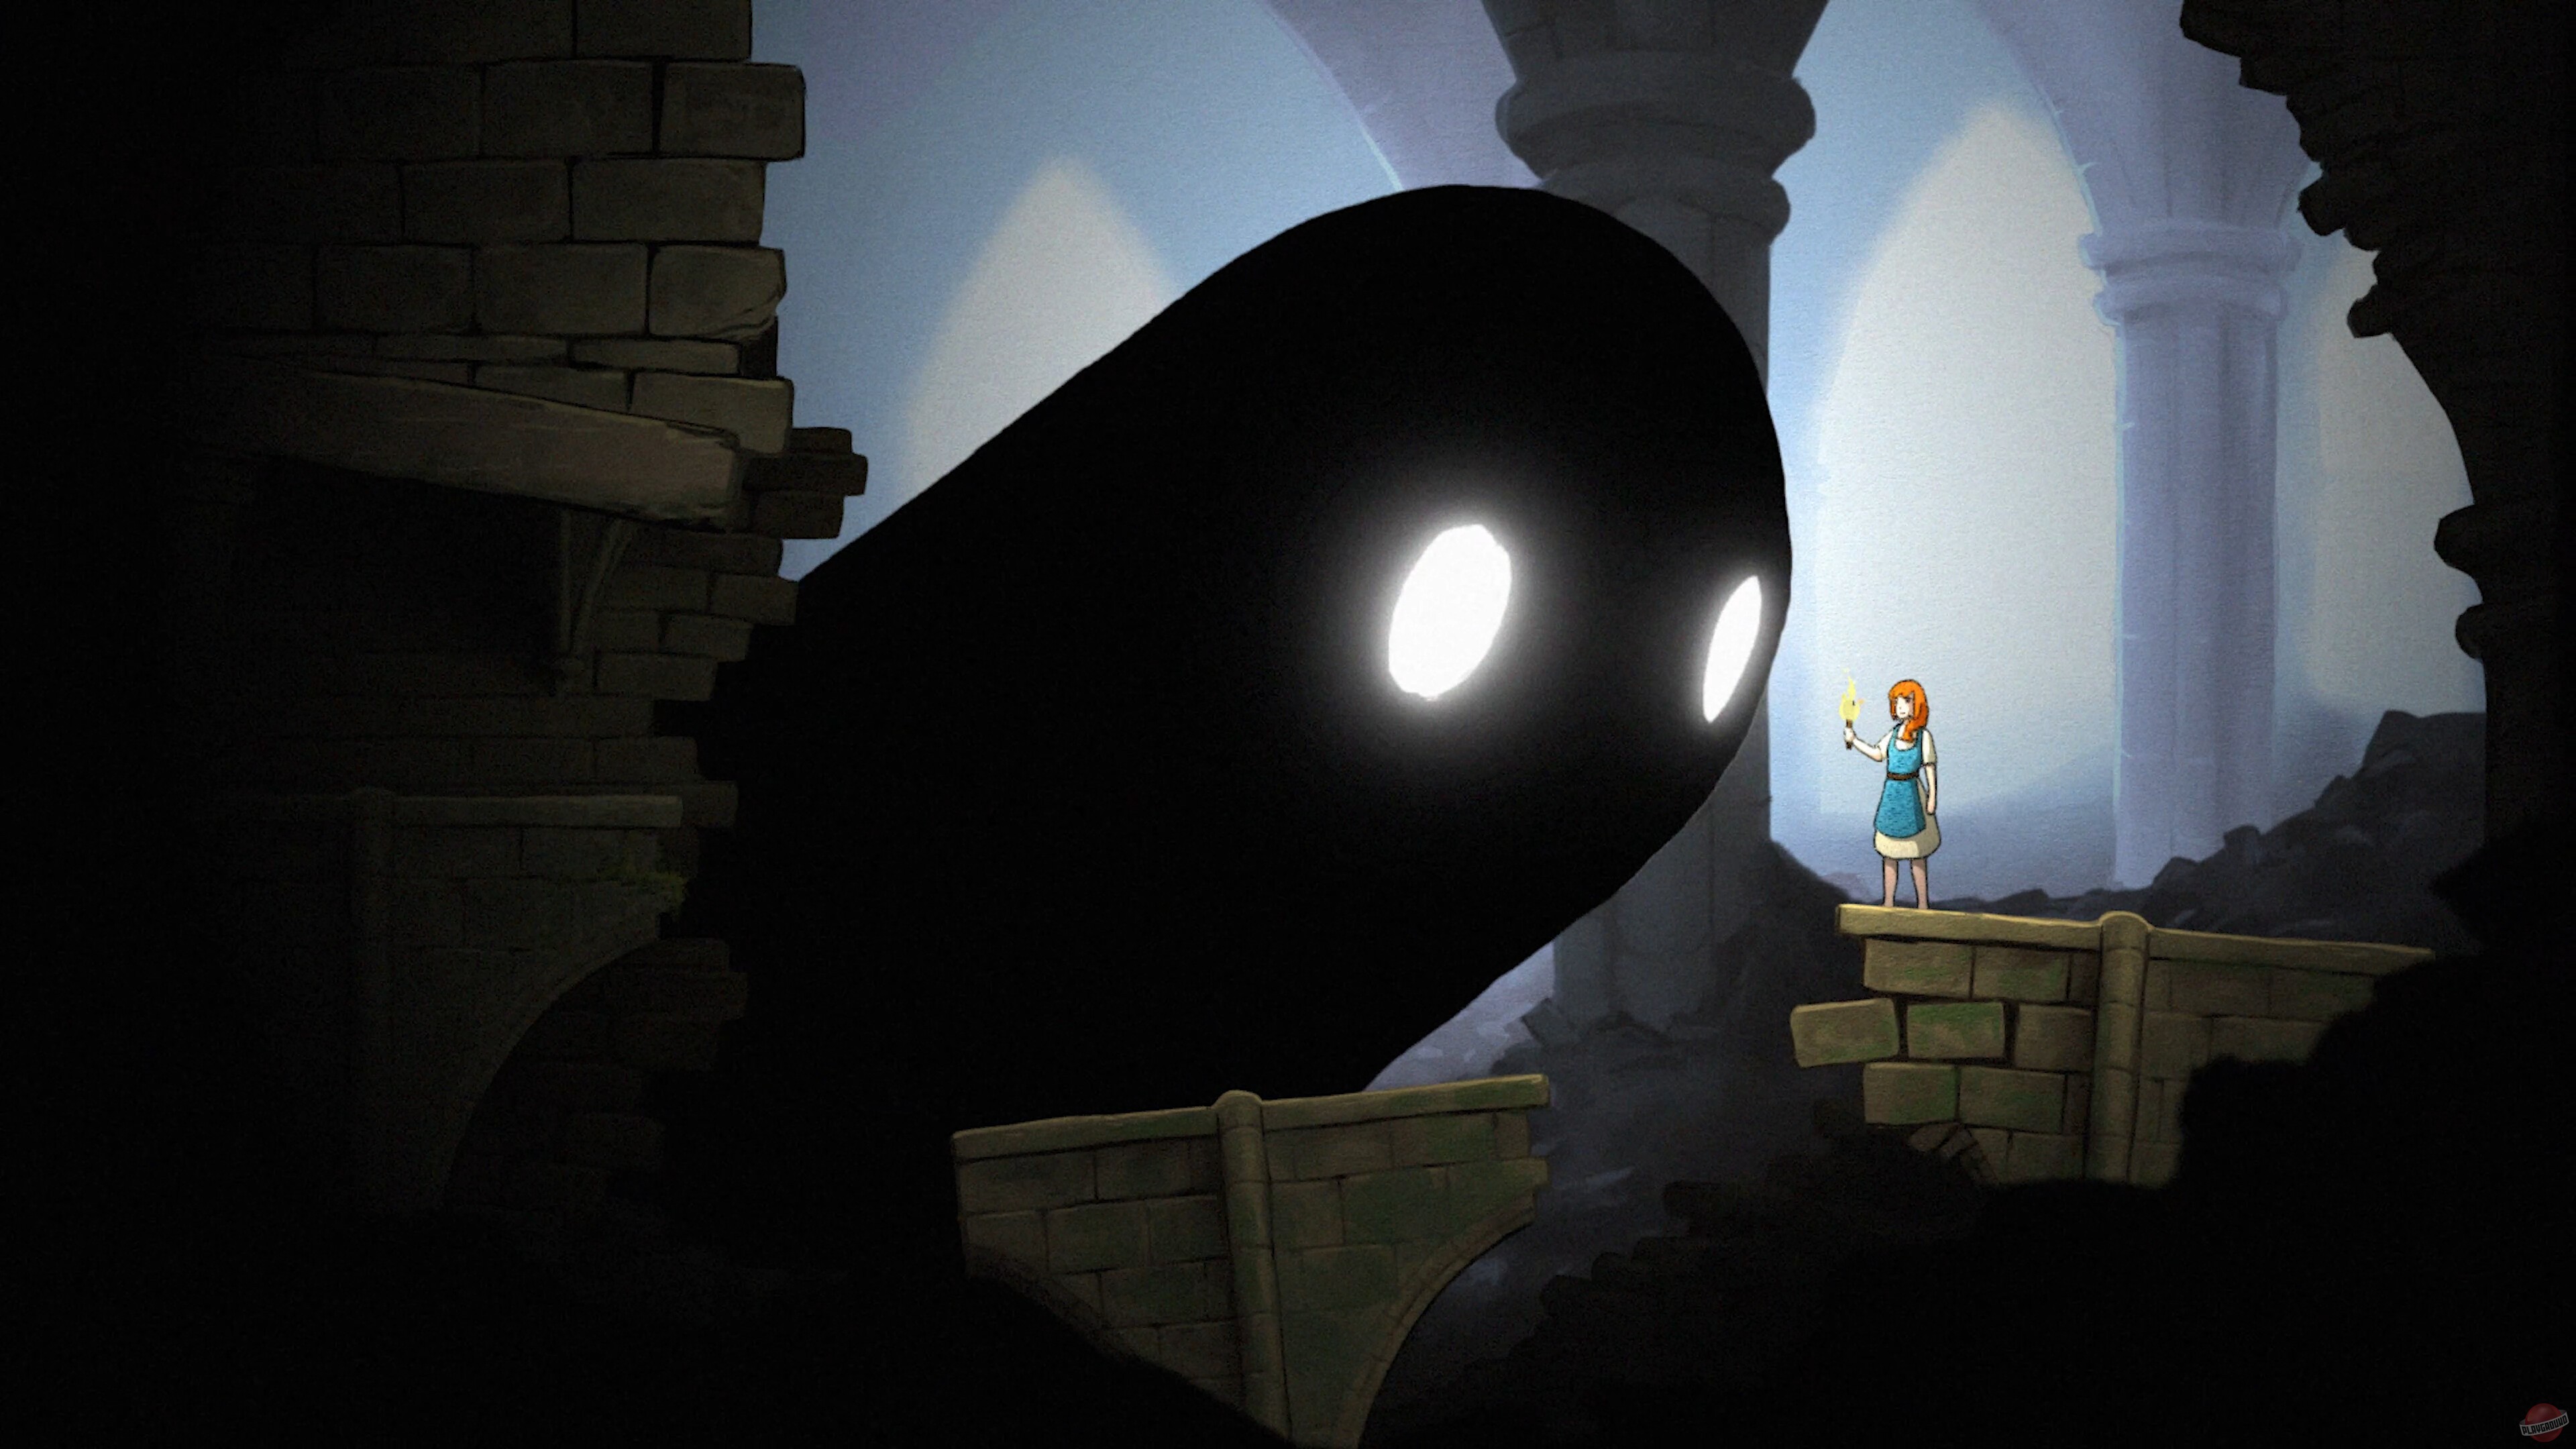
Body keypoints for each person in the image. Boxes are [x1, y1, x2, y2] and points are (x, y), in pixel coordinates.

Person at [1843, 680, 1938, 907]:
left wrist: (1933, 797)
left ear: (1917, 704)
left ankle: (1923, 905)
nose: (1901, 706)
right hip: (1892, 796)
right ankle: (1888, 903)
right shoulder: (1894, 735)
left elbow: (1929, 767)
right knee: (1889, 853)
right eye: (1898, 702)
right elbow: (1878, 754)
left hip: (1913, 797)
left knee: (1917, 854)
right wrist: (1854, 740)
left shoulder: (1923, 737)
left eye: (1907, 701)